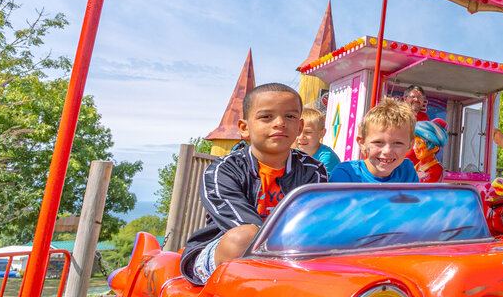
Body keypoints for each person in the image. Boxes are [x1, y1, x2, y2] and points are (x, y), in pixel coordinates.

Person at [180, 83, 327, 285]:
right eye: (266, 117)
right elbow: (244, 227)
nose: (280, 123)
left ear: (300, 127)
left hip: (290, 252)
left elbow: (310, 223)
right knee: (244, 237)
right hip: (226, 251)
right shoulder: (222, 170)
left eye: (290, 117)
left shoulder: (313, 170)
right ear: (244, 128)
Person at [330, 98, 421, 183]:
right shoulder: (347, 174)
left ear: (410, 145)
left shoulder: (407, 170)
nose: (387, 151)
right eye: (378, 142)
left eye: (398, 143)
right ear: (362, 143)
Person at [296, 107, 341, 175]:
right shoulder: (295, 154)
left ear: (321, 133)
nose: (301, 137)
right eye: (297, 131)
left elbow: (318, 182)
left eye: (308, 132)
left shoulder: (326, 157)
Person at [407, 117, 448, 182]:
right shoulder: (417, 166)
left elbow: (425, 190)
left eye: (419, 143)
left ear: (434, 148)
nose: (414, 148)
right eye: (414, 143)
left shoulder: (436, 169)